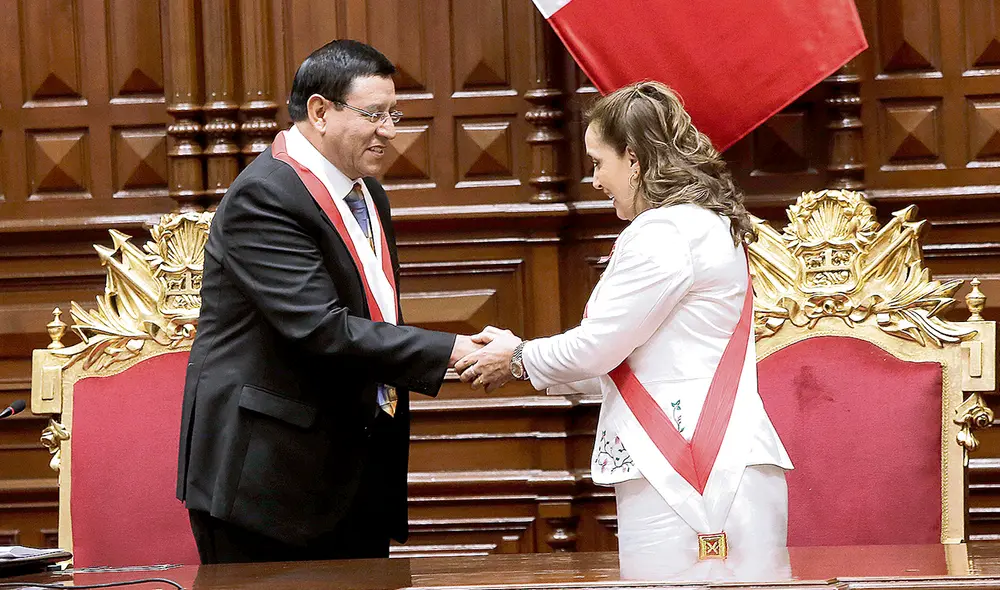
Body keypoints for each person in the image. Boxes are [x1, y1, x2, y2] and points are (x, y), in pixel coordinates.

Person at [456, 81, 793, 567]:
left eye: (598, 162)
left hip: (688, 471)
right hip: (720, 463)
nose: (594, 180)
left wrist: (516, 357)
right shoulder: (705, 222)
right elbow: (631, 362)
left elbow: (597, 348)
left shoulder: (662, 232)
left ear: (633, 160)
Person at [176, 39, 482, 564]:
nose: (390, 130)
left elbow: (376, 307)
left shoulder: (366, 192)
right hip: (267, 482)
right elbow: (321, 329)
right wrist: (453, 351)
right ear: (319, 111)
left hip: (352, 471)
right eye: (374, 114)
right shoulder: (266, 195)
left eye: (394, 113)